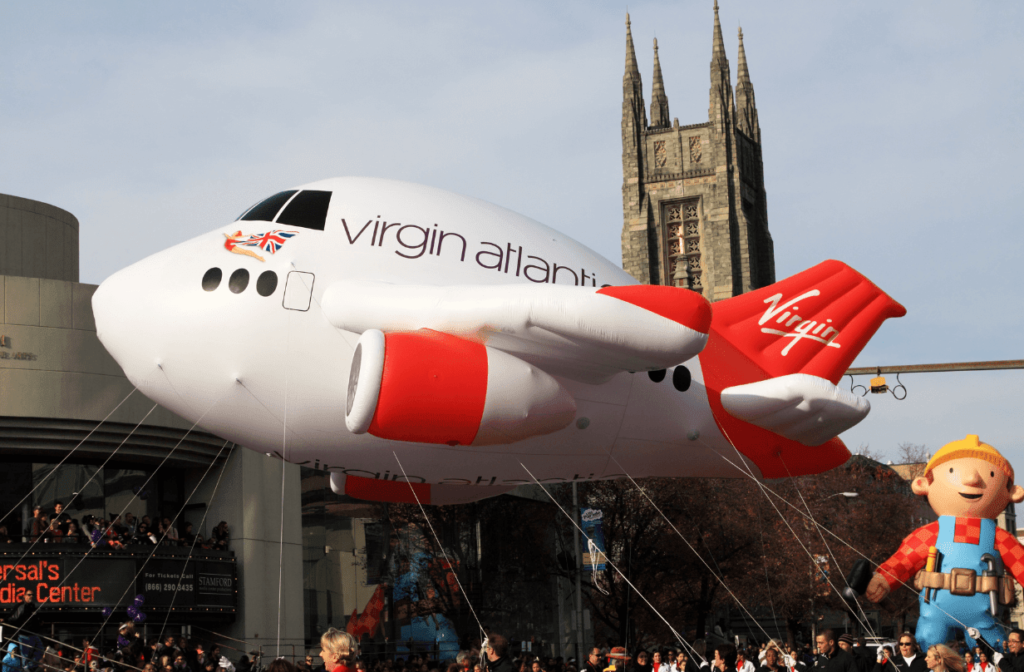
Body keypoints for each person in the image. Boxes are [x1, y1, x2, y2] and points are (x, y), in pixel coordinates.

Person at [866, 436, 1024, 649]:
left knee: (992, 650)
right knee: (930, 647)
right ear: (922, 485)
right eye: (952, 472)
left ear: (1012, 493)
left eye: (991, 475)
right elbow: (904, 560)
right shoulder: (933, 533)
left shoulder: (997, 536)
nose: (972, 479)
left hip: (980, 614)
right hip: (935, 614)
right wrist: (885, 578)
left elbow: (1019, 563)